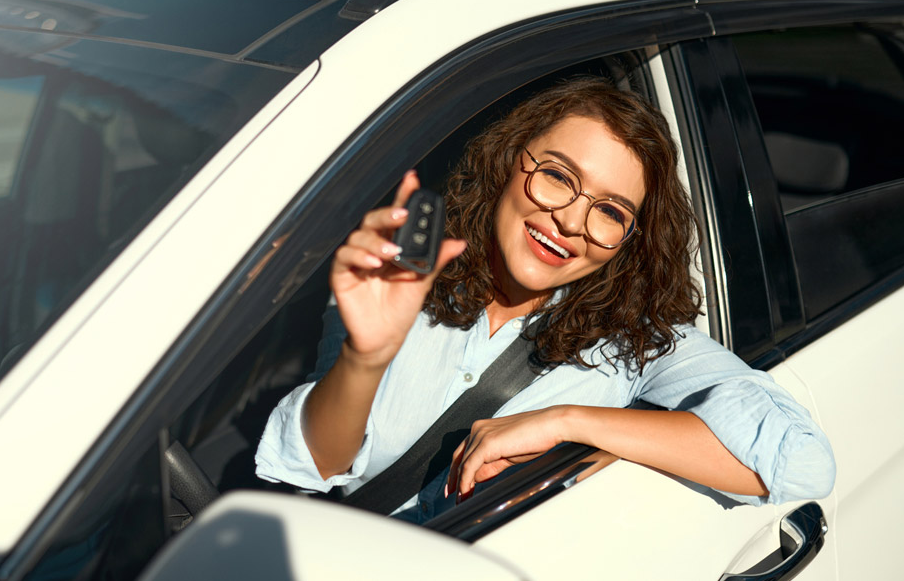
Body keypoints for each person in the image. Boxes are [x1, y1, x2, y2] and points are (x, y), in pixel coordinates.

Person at [255, 77, 835, 522]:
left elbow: (803, 462)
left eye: (610, 211)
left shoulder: (638, 341)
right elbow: (318, 464)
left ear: (631, 238)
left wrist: (572, 425)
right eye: (558, 176)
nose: (570, 222)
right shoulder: (399, 276)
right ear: (510, 160)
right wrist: (365, 357)